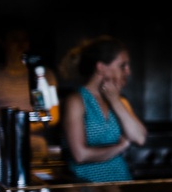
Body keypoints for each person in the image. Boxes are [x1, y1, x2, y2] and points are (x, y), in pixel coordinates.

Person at [59, 35, 147, 183]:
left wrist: (114, 100)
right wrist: (121, 146)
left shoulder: (120, 100)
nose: (128, 71)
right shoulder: (76, 101)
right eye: (122, 66)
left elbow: (140, 138)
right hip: (87, 186)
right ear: (101, 67)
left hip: (121, 181)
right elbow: (80, 155)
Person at [0, 25, 60, 159]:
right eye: (15, 40)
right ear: (2, 42)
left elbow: (53, 115)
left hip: (36, 145)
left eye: (24, 40)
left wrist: (21, 130)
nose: (21, 45)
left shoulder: (43, 75)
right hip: (2, 144)